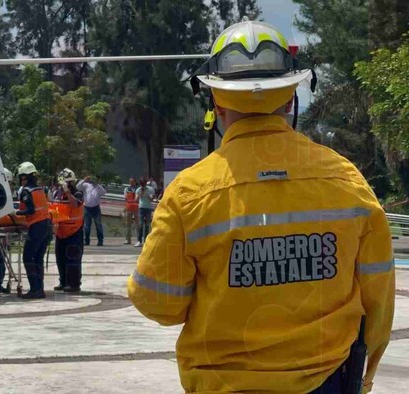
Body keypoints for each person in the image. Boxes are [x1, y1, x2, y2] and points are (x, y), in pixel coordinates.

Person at [128, 20, 394, 394]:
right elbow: (378, 299)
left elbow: (158, 303)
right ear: (290, 99)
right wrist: (365, 378)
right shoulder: (346, 181)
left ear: (216, 102)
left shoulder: (189, 193)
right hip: (328, 381)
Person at [14, 162, 52, 299]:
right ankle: (39, 289)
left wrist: (16, 212)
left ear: (24, 177)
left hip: (37, 227)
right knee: (37, 258)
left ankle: (35, 289)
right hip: (47, 225)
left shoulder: (26, 191)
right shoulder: (39, 189)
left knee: (28, 258)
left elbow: (30, 210)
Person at [53, 168, 84, 292]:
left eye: (64, 183)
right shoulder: (58, 194)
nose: (61, 185)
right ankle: (63, 281)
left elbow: (75, 204)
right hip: (60, 232)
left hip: (74, 231)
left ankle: (74, 284)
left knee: (73, 259)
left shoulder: (77, 193)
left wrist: (67, 191)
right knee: (60, 258)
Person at [76, 175, 106, 246]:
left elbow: (104, 192)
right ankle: (86, 241)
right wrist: (84, 179)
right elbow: (78, 187)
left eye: (96, 179)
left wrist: (98, 184)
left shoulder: (99, 187)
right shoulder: (86, 185)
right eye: (93, 179)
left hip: (96, 208)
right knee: (87, 226)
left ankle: (100, 241)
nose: (94, 181)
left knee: (98, 225)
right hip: (87, 208)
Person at [134, 178, 155, 247]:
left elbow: (151, 199)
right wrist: (141, 193)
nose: (143, 186)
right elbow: (136, 200)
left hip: (148, 208)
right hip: (141, 208)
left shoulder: (150, 189)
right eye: (142, 184)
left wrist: (147, 194)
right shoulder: (138, 190)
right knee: (141, 224)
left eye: (144, 184)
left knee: (147, 224)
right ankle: (139, 241)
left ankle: (146, 240)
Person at [123, 177, 139, 245]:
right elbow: (125, 198)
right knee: (128, 225)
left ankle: (139, 239)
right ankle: (128, 239)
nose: (131, 182)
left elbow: (139, 198)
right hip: (128, 208)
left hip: (136, 209)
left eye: (132, 181)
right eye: (130, 181)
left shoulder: (138, 189)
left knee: (138, 225)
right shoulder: (126, 189)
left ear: (135, 182)